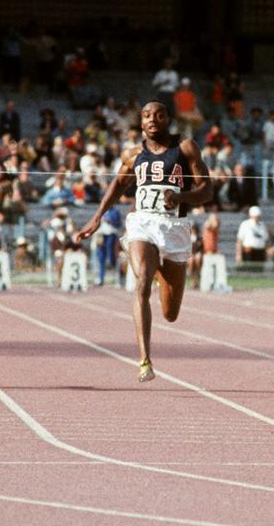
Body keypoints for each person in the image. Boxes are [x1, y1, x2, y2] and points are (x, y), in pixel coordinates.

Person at [76, 100, 212, 382]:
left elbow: (207, 190)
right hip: (143, 223)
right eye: (147, 116)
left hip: (175, 228)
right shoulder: (133, 154)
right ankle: (144, 360)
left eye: (159, 115)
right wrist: (97, 216)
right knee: (141, 283)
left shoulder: (185, 148)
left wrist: (181, 197)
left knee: (171, 313)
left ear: (168, 120)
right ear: (141, 122)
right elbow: (117, 184)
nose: (153, 120)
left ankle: (161, 270)